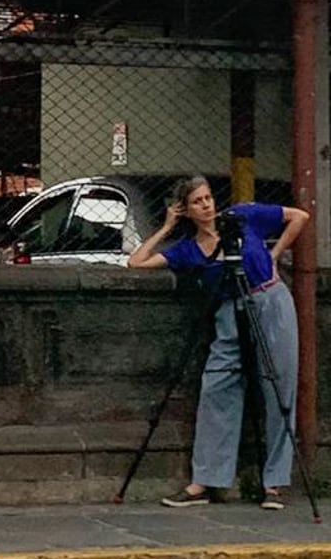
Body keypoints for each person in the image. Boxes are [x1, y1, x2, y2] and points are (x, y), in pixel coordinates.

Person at [127, 175, 309, 510]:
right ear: (186, 210)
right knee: (217, 386)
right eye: (197, 202)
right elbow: (136, 262)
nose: (206, 206)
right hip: (229, 310)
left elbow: (299, 216)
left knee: (279, 387)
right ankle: (205, 481)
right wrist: (167, 227)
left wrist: (274, 254)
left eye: (208, 198)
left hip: (269, 298)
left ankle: (275, 483)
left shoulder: (242, 217)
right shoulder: (188, 249)